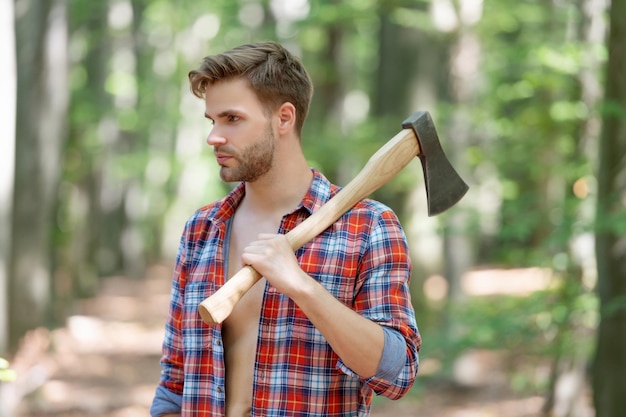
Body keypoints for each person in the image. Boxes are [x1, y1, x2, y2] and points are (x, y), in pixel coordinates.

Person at [150, 41, 421, 417]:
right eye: (212, 121)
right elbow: (175, 382)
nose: (214, 137)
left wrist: (302, 286)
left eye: (232, 118)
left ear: (284, 118)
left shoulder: (368, 226)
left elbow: (398, 372)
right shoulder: (202, 230)